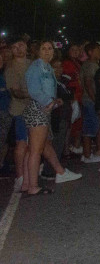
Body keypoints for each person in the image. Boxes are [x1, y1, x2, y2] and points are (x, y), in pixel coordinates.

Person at [23, 41, 82, 195]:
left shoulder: (47, 67)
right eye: (43, 48)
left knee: (38, 147)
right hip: (38, 110)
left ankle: (29, 183)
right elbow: (34, 90)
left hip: (43, 110)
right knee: (36, 150)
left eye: (50, 48)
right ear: (38, 51)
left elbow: (50, 89)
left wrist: (55, 101)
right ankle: (33, 186)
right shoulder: (36, 67)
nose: (47, 51)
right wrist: (49, 102)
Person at [41, 57, 73, 180]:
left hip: (63, 115)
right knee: (55, 144)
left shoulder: (60, 81)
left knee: (59, 142)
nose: (59, 69)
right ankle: (49, 171)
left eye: (60, 66)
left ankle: (52, 169)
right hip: (56, 117)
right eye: (55, 67)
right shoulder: (49, 82)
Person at [6, 38, 32, 192]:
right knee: (21, 143)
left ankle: (30, 172)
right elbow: (15, 92)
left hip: (34, 109)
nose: (18, 49)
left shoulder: (33, 64)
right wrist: (32, 95)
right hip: (20, 110)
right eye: (14, 47)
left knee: (33, 142)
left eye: (21, 45)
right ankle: (20, 176)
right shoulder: (11, 68)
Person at [79, 43, 100, 164]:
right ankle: (87, 155)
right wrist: (96, 100)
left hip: (91, 100)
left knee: (95, 126)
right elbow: (88, 84)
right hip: (90, 101)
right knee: (89, 129)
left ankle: (95, 152)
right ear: (90, 52)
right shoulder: (90, 65)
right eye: (98, 50)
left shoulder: (94, 64)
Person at [62, 44, 84, 155]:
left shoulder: (78, 63)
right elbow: (67, 81)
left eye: (77, 49)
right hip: (73, 96)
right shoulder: (67, 63)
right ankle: (67, 149)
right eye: (73, 49)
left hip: (79, 96)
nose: (75, 51)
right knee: (70, 124)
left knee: (77, 123)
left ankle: (75, 146)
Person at [0, 53, 12, 174]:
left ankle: (2, 163)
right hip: (2, 111)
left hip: (6, 110)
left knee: (4, 140)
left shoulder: (4, 75)